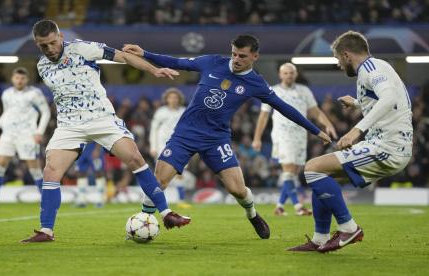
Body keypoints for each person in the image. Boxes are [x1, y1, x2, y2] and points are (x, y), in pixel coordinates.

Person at [123, 35, 332, 239]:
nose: (236, 60)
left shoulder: (256, 83)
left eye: (242, 56)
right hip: (185, 134)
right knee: (159, 179)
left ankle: (252, 214)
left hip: (216, 139)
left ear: (254, 57)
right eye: (234, 54)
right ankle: (145, 219)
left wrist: (315, 130)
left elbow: (285, 108)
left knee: (238, 190)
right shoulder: (212, 62)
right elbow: (176, 62)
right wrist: (145, 53)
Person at [22, 19, 190, 243]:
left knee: (134, 158)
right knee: (51, 171)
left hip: (101, 118)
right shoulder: (42, 66)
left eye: (53, 42)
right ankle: (46, 231)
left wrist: (154, 70)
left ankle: (167, 213)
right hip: (69, 125)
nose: (50, 49)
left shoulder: (82, 49)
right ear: (37, 44)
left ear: (61, 37)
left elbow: (124, 56)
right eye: (44, 46)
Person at [288, 31, 413, 252]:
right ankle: (319, 239)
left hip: (387, 146)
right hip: (389, 144)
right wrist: (357, 103)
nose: (338, 64)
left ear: (346, 55)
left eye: (337, 59)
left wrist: (356, 130)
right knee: (321, 174)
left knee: (312, 168)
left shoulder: (371, 69)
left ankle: (349, 228)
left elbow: (389, 98)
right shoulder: (377, 68)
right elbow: (393, 101)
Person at [252, 63, 337, 216]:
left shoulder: (304, 91)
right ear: (280, 75)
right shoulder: (273, 91)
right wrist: (257, 138)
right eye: (285, 73)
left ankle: (279, 206)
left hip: (300, 136)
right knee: (289, 170)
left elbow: (315, 111)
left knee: (294, 172)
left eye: (291, 73)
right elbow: (264, 115)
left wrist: (328, 124)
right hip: (283, 135)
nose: (289, 75)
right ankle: (298, 207)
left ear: (296, 74)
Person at [0, 67, 50, 213]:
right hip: (8, 134)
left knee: (34, 168)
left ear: (27, 79)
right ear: (12, 79)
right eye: (17, 78)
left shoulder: (34, 93)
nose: (19, 80)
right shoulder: (6, 94)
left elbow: (46, 112)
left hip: (27, 135)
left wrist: (39, 131)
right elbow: (7, 113)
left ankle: (46, 203)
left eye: (22, 78)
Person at [149, 87, 190, 208]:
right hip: (162, 145)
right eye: (171, 97)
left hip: (180, 145)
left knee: (180, 172)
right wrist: (153, 146)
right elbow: (153, 129)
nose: (173, 99)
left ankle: (181, 201)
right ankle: (160, 201)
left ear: (179, 99)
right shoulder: (161, 112)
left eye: (175, 97)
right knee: (161, 174)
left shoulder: (183, 111)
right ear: (166, 99)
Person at [74, 142, 106, 208]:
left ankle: (100, 200)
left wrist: (97, 149)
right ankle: (82, 200)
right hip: (81, 148)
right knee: (80, 173)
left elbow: (99, 133)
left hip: (93, 147)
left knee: (98, 172)